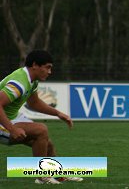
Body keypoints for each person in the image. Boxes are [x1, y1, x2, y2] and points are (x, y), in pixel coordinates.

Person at [0, 50, 83, 184]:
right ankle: (42, 177)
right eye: (47, 67)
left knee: (46, 144)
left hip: (12, 118)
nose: (50, 71)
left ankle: (58, 174)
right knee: (41, 130)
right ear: (35, 65)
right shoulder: (19, 83)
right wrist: (12, 129)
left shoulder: (32, 80)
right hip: (4, 122)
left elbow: (34, 103)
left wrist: (58, 113)